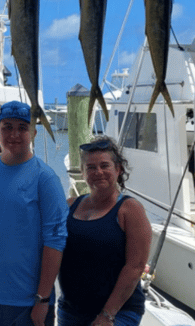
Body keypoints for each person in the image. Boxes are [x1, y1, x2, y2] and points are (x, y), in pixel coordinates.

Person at [0, 100, 68, 326]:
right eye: (7, 126)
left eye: (22, 127)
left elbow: (55, 242)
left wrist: (43, 299)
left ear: (33, 133)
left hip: (27, 304)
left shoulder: (45, 179)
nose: (14, 134)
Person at [58, 135, 152, 326]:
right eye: (90, 168)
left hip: (117, 313)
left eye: (104, 165)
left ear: (118, 169)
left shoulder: (130, 209)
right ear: (83, 174)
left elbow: (135, 267)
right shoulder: (69, 205)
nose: (98, 172)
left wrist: (107, 315)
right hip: (71, 311)